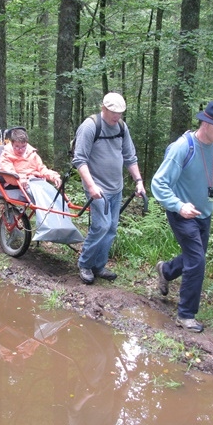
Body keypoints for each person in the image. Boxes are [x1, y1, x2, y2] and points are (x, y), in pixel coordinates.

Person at [151, 100, 213, 333]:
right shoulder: (182, 147)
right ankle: (186, 315)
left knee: (194, 256)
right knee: (197, 260)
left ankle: (166, 270)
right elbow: (158, 183)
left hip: (204, 211)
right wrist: (178, 206)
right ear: (205, 123)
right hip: (182, 212)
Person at [72, 92, 146, 285]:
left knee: (111, 228)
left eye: (120, 113)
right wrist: (91, 185)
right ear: (103, 108)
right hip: (97, 187)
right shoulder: (90, 126)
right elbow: (79, 160)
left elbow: (130, 156)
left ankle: (99, 265)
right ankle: (85, 264)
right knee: (101, 226)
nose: (116, 116)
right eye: (113, 112)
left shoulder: (121, 127)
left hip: (116, 187)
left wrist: (138, 180)